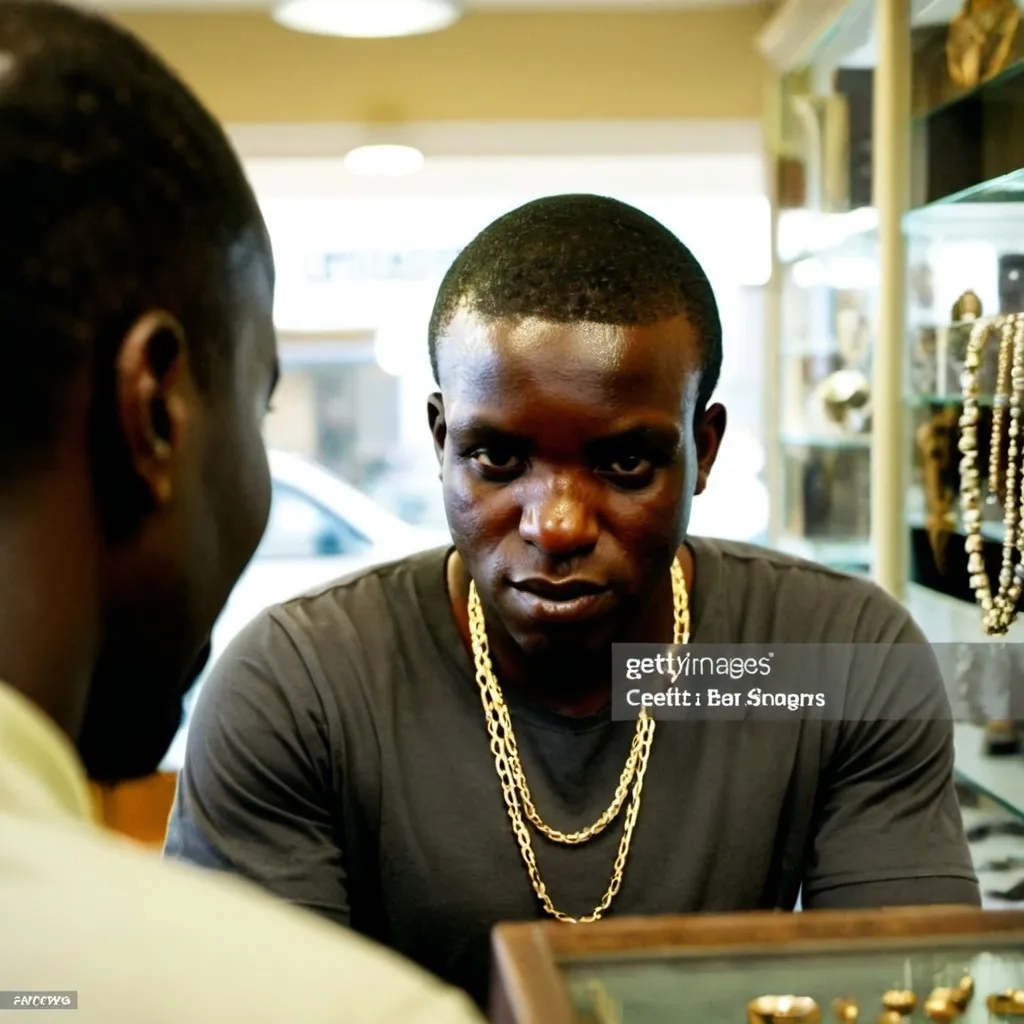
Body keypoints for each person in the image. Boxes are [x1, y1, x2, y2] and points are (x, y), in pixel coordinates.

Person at [165, 194, 980, 1010]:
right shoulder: (301, 688)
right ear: (441, 439)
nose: (555, 525)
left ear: (703, 449)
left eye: (625, 464)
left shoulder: (831, 662)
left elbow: (910, 999)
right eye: (495, 458)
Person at [0, 4, 483, 1022]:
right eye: (258, 404)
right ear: (157, 413)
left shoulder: (829, 645)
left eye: (626, 456)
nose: (559, 521)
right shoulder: (334, 1007)